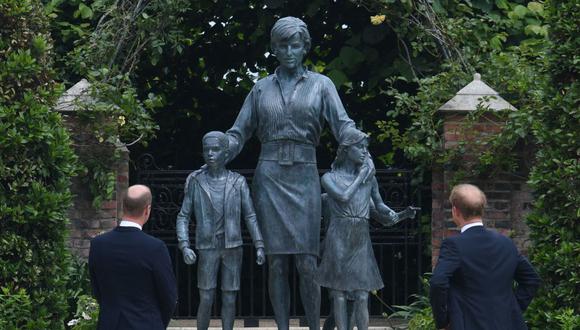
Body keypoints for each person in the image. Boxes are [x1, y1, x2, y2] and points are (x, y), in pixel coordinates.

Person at [224, 16, 359, 330]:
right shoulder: (260, 89)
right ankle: (283, 327)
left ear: (305, 47)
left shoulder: (322, 85)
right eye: (282, 45)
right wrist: (220, 151)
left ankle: (312, 326)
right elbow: (239, 132)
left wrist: (360, 149)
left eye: (294, 44)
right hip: (269, 177)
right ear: (273, 48)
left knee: (307, 261)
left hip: (305, 175)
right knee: (277, 263)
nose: (288, 51)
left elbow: (343, 125)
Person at [316, 129, 417, 330]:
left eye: (366, 148)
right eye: (359, 147)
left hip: (360, 237)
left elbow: (380, 208)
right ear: (346, 149)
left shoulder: (369, 180)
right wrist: (361, 176)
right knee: (339, 294)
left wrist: (401, 214)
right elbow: (343, 197)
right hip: (338, 235)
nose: (364, 152)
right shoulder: (329, 178)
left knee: (362, 293)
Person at [176, 131, 265, 330]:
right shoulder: (197, 182)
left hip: (233, 246)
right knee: (206, 297)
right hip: (207, 247)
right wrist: (184, 246)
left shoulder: (238, 182)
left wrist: (259, 244)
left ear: (226, 153)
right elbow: (183, 216)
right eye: (206, 150)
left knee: (230, 297)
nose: (210, 154)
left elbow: (249, 215)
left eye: (215, 149)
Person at [430, 184, 541, 330]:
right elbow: (531, 279)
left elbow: (438, 282)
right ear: (482, 210)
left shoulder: (453, 245)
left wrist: (443, 321)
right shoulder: (506, 242)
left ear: (455, 210)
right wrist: (512, 309)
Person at [89, 185, 177, 330]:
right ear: (147, 210)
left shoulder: (98, 244)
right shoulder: (155, 248)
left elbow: (97, 290)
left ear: (123, 207)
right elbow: (169, 297)